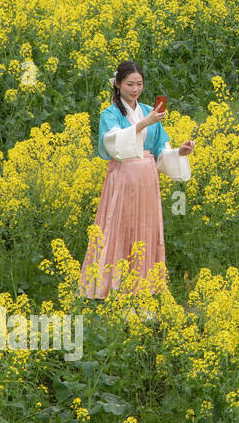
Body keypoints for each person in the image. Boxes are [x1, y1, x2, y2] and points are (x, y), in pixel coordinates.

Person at [81, 60, 195, 299]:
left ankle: (143, 291)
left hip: (146, 178)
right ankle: (111, 289)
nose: (135, 89)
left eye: (139, 84)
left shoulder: (147, 110)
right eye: (130, 84)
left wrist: (179, 152)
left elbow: (159, 151)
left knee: (145, 231)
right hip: (123, 178)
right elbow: (113, 144)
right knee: (119, 229)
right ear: (118, 85)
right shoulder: (110, 114)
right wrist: (145, 122)